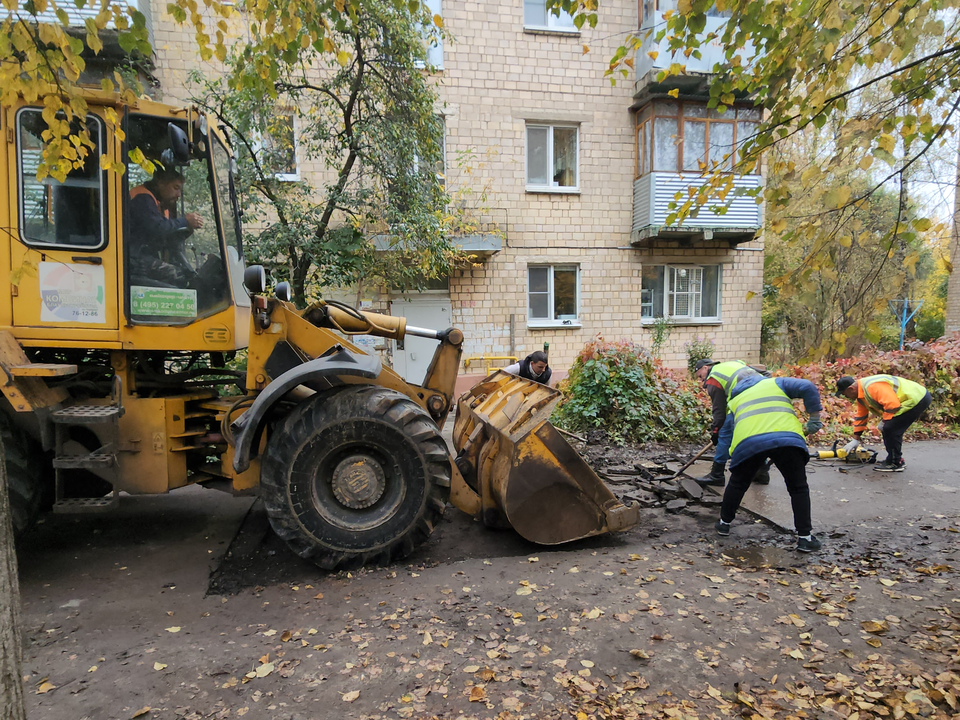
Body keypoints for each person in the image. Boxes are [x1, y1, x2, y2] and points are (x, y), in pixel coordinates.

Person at [713, 371, 824, 552]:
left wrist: (730, 458)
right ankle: (805, 538)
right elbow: (807, 386)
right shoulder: (776, 383)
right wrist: (814, 418)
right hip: (786, 439)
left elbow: (727, 433)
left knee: (738, 483)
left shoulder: (734, 400)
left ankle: (723, 524)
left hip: (749, 444)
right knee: (798, 488)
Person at [694, 359, 772, 487]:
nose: (702, 380)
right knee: (755, 435)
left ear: (705, 368)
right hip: (764, 398)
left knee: (725, 433)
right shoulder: (737, 363)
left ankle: (717, 475)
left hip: (746, 401)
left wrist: (716, 431)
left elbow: (719, 411)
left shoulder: (714, 378)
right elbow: (767, 374)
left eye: (701, 376)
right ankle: (761, 472)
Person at [835, 374, 932, 472]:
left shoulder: (871, 387)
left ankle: (896, 462)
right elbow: (861, 417)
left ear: (851, 389)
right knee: (889, 428)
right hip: (910, 399)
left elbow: (892, 405)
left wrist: (885, 422)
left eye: (844, 393)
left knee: (890, 428)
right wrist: (856, 439)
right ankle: (892, 459)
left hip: (917, 398)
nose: (845, 396)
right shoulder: (861, 395)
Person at [129, 168, 203, 287]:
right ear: (161, 183)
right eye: (176, 188)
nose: (178, 195)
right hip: (132, 258)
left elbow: (162, 234)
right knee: (179, 275)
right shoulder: (142, 198)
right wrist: (185, 221)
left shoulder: (158, 203)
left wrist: (186, 230)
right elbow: (157, 228)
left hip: (141, 256)